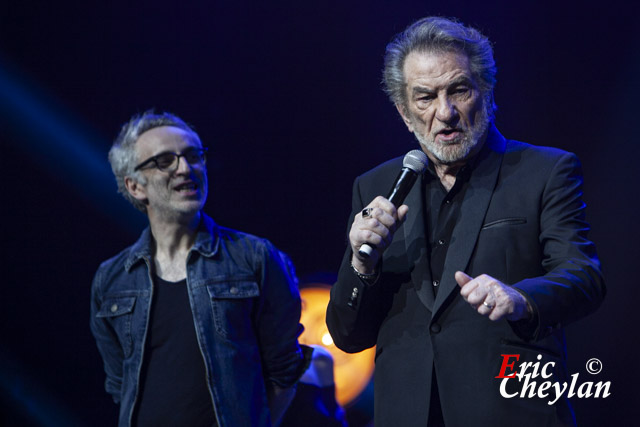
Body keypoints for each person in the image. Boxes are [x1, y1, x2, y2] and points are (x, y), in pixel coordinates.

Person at [326, 16, 605, 427]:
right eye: (425, 98)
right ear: (405, 113)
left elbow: (584, 276)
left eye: (459, 90)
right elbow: (348, 337)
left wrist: (521, 299)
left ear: (487, 93)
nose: (446, 112)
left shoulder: (544, 170)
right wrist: (361, 267)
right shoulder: (376, 187)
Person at [90, 111, 309, 426]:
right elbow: (120, 384)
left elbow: (285, 371)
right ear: (136, 187)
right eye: (165, 161)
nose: (185, 168)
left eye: (194, 156)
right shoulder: (110, 279)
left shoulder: (255, 258)